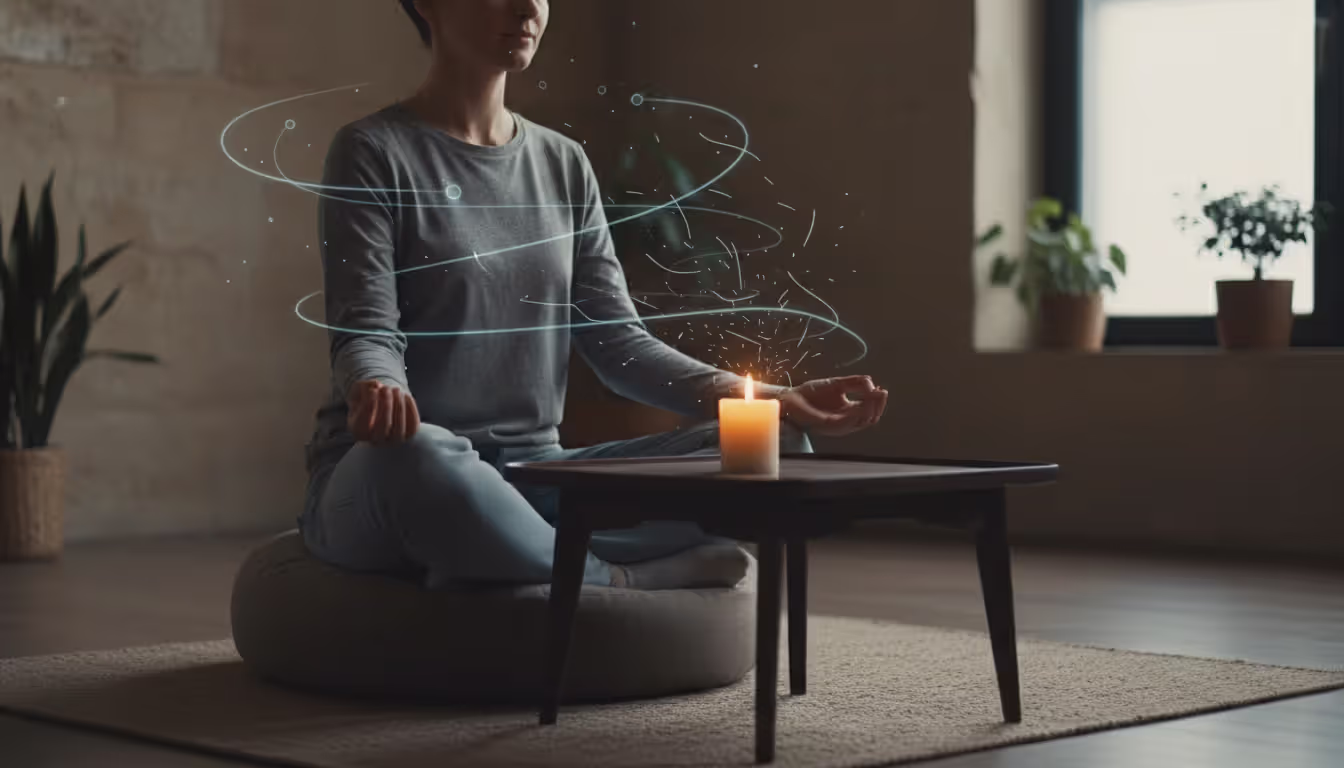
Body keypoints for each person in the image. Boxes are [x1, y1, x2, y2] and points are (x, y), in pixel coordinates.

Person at [298, 0, 889, 591]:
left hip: (535, 476)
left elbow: (619, 345)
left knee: (777, 443)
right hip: (395, 470)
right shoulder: (371, 151)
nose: (527, 7)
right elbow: (366, 330)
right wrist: (377, 385)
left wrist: (776, 399)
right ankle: (613, 578)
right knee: (422, 457)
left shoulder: (562, 162)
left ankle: (513, 549)